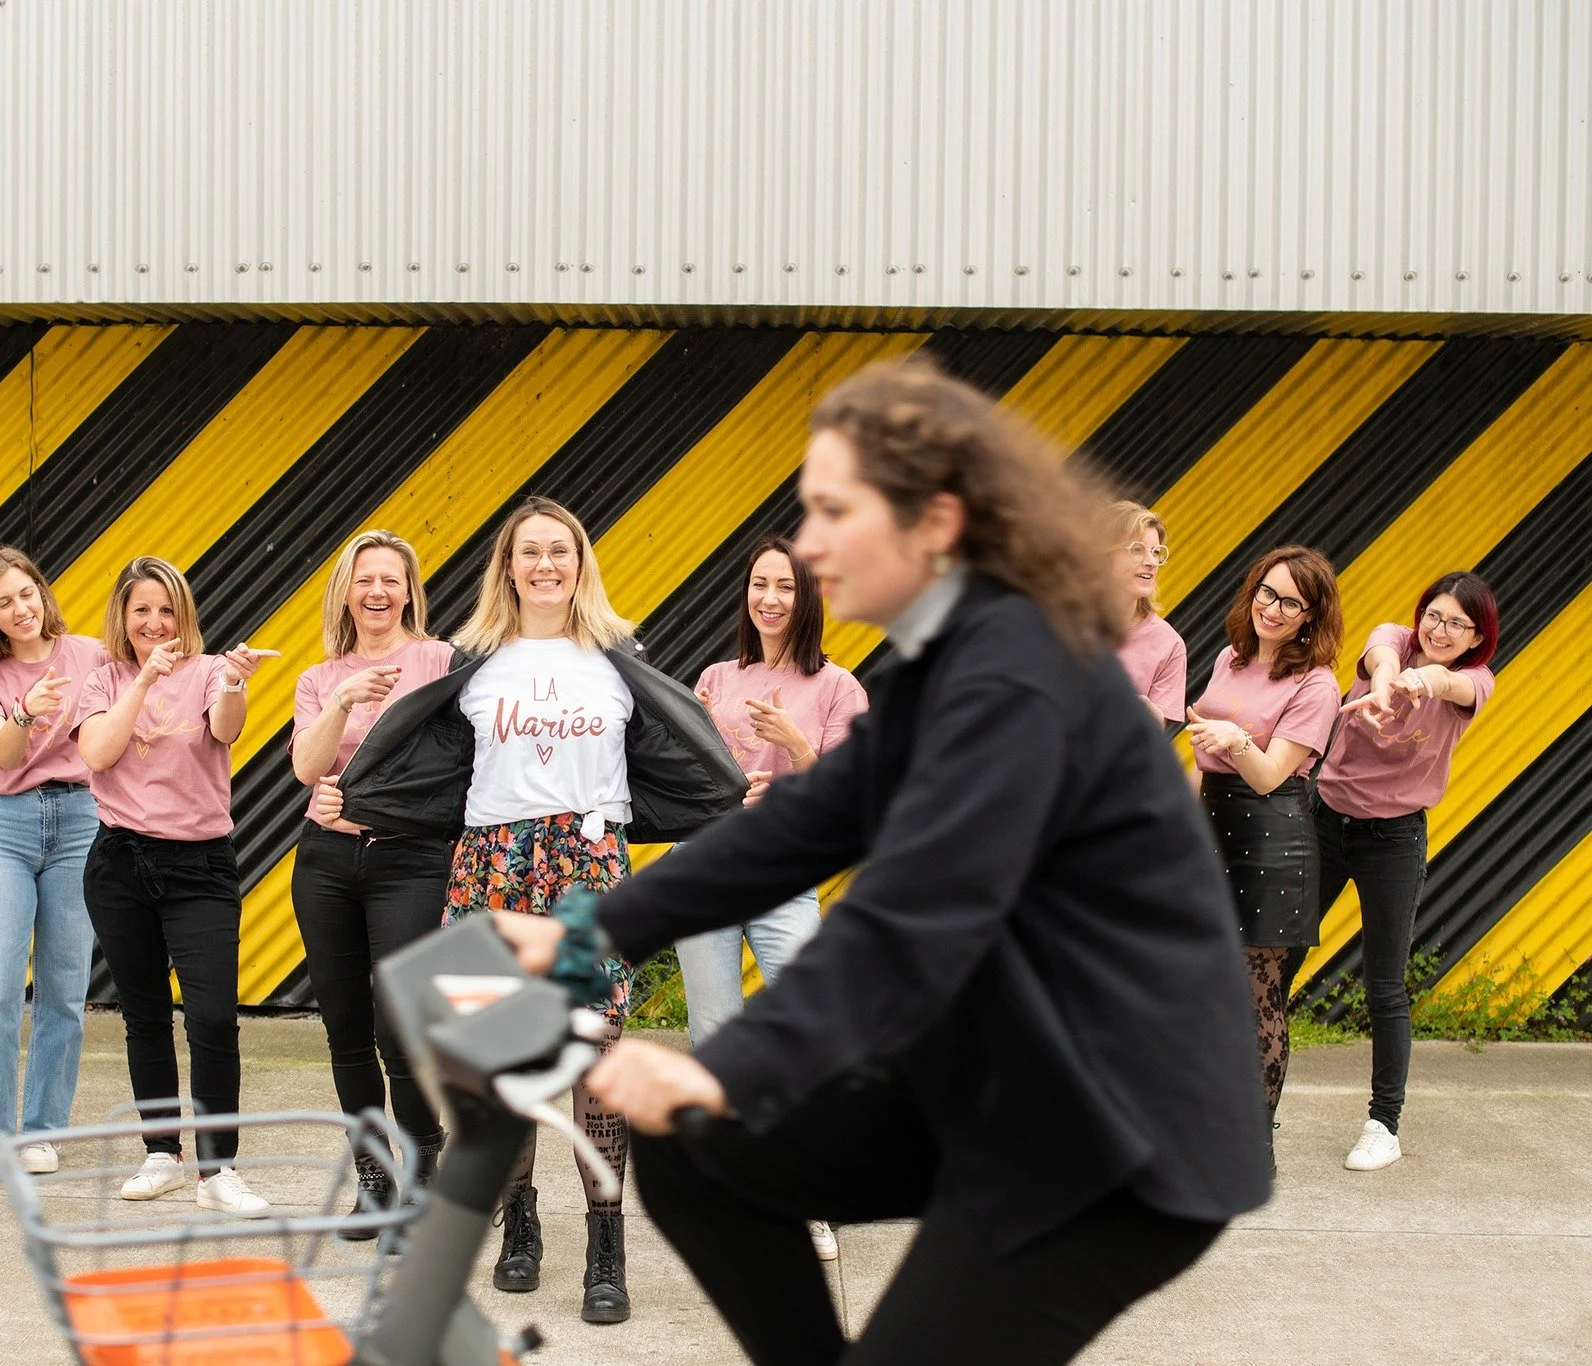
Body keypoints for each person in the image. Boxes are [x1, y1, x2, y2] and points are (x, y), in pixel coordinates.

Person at [496, 357, 1271, 1365]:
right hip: (1012, 1078)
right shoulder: (943, 657)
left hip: (1115, 1127)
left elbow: (908, 921)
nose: (806, 542)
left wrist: (725, 1066)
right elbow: (804, 820)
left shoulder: (1018, 674)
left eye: (830, 510)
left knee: (705, 1115)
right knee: (699, 1157)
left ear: (934, 522)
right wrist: (585, 935)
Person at [319, 496, 746, 1325]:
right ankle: (521, 1228)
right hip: (490, 865)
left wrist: (726, 795)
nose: (545, 566)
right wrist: (364, 799)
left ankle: (606, 1243)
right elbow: (427, 765)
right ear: (506, 568)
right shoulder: (474, 659)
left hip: (588, 868)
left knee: (593, 1058)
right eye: (529, 553)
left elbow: (678, 757)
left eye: (559, 551)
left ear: (580, 562)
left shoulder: (618, 656)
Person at [681, 533, 866, 1262]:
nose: (770, 598)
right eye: (760, 584)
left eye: (785, 586)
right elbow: (688, 779)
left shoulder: (838, 688)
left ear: (807, 597)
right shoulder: (715, 679)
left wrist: (795, 747)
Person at [75, 556, 280, 1215]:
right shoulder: (101, 677)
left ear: (184, 615)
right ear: (123, 616)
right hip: (120, 862)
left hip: (199, 864)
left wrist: (237, 684)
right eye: (142, 611)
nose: (155, 623)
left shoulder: (210, 670)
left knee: (214, 1016)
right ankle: (162, 1152)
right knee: (143, 1015)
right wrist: (143, 682)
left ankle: (218, 1170)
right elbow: (98, 752)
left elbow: (225, 727)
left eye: (167, 610)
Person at [289, 531, 454, 1231]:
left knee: (400, 1025)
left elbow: (456, 764)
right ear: (346, 593)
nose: (378, 592)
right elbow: (306, 768)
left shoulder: (441, 661)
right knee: (346, 1029)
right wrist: (343, 701)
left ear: (409, 590)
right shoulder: (321, 677)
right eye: (365, 580)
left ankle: (421, 1161)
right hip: (326, 861)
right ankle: (373, 1175)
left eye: (391, 579)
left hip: (411, 860)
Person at [1314, 572, 1498, 1172]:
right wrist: (1391, 681)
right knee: (1272, 957)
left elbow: (1446, 681)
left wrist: (1423, 680)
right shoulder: (1394, 638)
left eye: (1457, 624)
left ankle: (1383, 1124)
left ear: (1476, 637)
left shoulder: (1474, 680)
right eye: (1435, 616)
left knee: (1385, 984)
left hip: (1393, 838)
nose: (1441, 630)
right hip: (1324, 821)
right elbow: (1383, 652)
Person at [0, 548, 108, 1195]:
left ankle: (41, 1130)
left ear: (43, 592)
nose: (20, 607)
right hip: (4, 824)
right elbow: (5, 754)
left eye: (27, 592)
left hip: (79, 820)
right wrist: (26, 710)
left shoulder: (89, 653)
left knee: (65, 986)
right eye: (3, 601)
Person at [1184, 547, 1343, 1163]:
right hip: (1213, 825)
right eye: (1266, 593)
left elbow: (1274, 774)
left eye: (1290, 603)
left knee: (1257, 993)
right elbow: (1205, 753)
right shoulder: (1231, 657)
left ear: (1310, 617)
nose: (1272, 609)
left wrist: (1237, 738)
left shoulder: (1317, 683)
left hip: (1272, 840)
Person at [1107, 500, 1187, 726]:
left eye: (1156, 552)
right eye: (1137, 550)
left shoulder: (1168, 645)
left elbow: (1152, 739)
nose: (1151, 562)